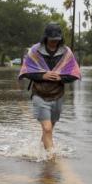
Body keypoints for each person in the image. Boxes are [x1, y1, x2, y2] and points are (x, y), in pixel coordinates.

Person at [18, 23, 81, 152]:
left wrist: (61, 78)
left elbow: (75, 73)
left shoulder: (66, 52)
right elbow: (26, 72)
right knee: (46, 128)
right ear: (46, 38)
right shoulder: (34, 51)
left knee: (49, 128)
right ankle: (51, 158)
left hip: (57, 95)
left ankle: (40, 151)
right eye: (52, 40)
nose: (54, 42)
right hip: (39, 95)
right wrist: (43, 76)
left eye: (57, 40)